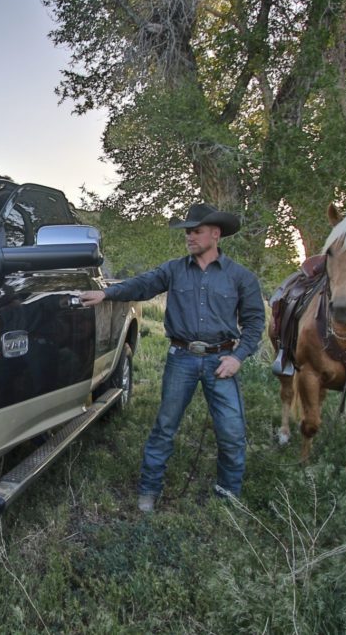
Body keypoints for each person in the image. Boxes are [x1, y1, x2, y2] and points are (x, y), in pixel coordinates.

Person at [80, 203, 265, 511]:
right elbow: (142, 285)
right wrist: (106, 294)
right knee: (165, 427)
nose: (189, 237)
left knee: (231, 432)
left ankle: (228, 496)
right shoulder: (174, 270)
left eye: (196, 232)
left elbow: (255, 322)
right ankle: (149, 492)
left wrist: (239, 357)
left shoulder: (240, 277)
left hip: (222, 360)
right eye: (187, 232)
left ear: (215, 234)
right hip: (182, 358)